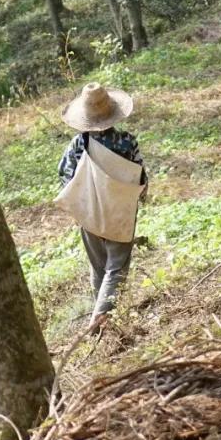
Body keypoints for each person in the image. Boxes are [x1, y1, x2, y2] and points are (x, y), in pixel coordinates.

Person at [58, 82, 147, 334]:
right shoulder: (127, 141)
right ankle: (100, 318)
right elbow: (140, 177)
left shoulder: (79, 144)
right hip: (120, 211)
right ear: (112, 112)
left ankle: (102, 322)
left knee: (99, 268)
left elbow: (64, 175)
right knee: (117, 267)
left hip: (89, 213)